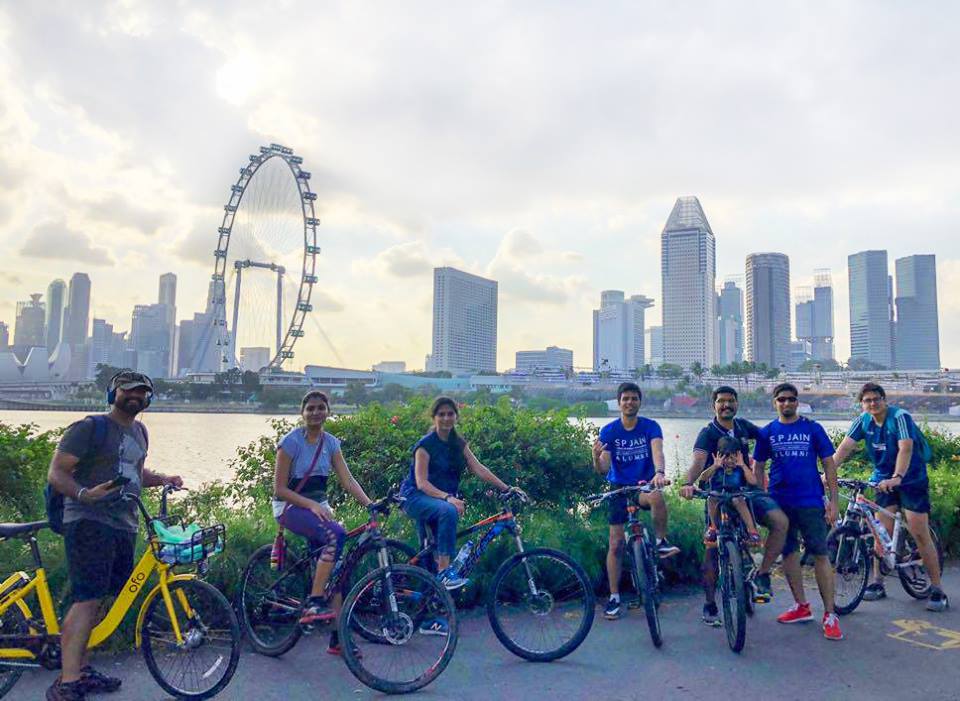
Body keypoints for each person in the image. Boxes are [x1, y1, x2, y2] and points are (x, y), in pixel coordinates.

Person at [46, 371, 183, 701]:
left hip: (124, 524)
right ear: (113, 393)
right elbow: (56, 472)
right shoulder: (89, 428)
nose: (135, 396)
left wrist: (164, 478)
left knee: (105, 598)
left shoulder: (140, 431)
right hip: (89, 521)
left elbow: (134, 473)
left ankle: (82, 668)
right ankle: (67, 682)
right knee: (87, 597)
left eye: (142, 392)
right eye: (128, 391)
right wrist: (83, 494)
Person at [400, 396, 525, 636]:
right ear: (434, 417)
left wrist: (506, 488)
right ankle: (446, 574)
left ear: (456, 416)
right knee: (447, 514)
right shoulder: (425, 445)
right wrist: (447, 498)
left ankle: (430, 619)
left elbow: (479, 469)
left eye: (450, 414)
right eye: (442, 414)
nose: (446, 418)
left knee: (432, 557)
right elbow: (421, 482)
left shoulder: (458, 443)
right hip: (416, 498)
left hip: (439, 501)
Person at [272, 390, 373, 655]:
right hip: (290, 507)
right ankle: (315, 601)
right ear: (302, 412)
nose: (316, 412)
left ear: (328, 411)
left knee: (336, 569)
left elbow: (348, 481)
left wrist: (370, 504)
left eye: (321, 408)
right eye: (311, 408)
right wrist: (312, 505)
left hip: (318, 510)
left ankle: (338, 639)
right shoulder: (290, 443)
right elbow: (279, 489)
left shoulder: (331, 443)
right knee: (335, 536)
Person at [833, 382, 948, 612]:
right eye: (867, 400)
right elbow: (845, 448)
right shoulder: (863, 420)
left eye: (877, 399)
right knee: (879, 532)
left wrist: (897, 477)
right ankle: (877, 582)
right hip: (882, 478)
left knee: (919, 531)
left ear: (884, 400)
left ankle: (937, 589)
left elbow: (905, 448)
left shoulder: (900, 417)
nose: (873, 403)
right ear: (862, 404)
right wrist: (829, 472)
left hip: (910, 478)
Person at [680, 386, 788, 626]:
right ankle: (710, 603)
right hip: (717, 497)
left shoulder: (743, 427)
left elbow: (769, 438)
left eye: (731, 401)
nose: (726, 405)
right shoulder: (707, 433)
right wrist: (688, 483)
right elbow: (698, 463)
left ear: (737, 404)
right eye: (721, 402)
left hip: (745, 493)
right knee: (711, 550)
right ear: (714, 406)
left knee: (780, 522)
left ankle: (762, 575)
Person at [753, 383, 842, 641]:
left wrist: (833, 502)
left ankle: (830, 614)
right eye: (781, 400)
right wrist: (761, 497)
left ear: (797, 402)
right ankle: (801, 606)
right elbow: (758, 466)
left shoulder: (812, 428)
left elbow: (828, 463)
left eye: (791, 399)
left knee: (820, 554)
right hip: (780, 502)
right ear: (775, 403)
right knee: (789, 553)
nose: (787, 404)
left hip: (811, 501)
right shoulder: (768, 432)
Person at [592, 382, 679, 621]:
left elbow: (657, 452)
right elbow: (603, 468)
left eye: (634, 398)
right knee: (616, 544)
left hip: (644, 483)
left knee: (656, 496)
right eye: (625, 399)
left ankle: (661, 541)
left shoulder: (651, 427)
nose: (629, 402)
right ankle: (614, 596)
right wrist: (595, 457)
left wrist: (659, 473)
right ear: (619, 402)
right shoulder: (609, 431)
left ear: (640, 402)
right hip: (619, 488)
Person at [699, 436, 761, 546]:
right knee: (711, 498)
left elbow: (753, 481)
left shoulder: (740, 469)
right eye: (726, 458)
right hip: (719, 498)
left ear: (738, 456)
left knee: (738, 500)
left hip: (736, 498)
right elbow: (703, 478)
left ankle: (752, 531)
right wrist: (714, 466)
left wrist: (743, 466)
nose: (729, 461)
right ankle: (713, 527)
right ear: (719, 456)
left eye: (733, 458)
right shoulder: (716, 468)